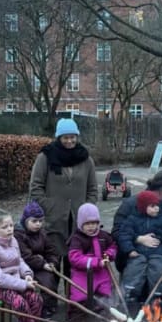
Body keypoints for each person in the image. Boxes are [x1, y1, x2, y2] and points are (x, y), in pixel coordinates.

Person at [29, 118, 98, 291]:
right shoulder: (45, 157)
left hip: (77, 221)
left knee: (74, 263)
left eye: (72, 137)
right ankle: (50, 299)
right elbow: (35, 188)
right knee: (52, 262)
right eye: (65, 137)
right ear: (58, 137)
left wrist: (86, 211)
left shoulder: (86, 159)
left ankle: (74, 297)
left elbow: (92, 189)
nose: (69, 141)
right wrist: (49, 207)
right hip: (53, 220)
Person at [117, 190, 162, 310]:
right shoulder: (132, 220)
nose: (156, 208)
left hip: (158, 252)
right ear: (143, 207)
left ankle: (159, 294)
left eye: (157, 205)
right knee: (134, 268)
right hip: (138, 252)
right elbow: (124, 235)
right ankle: (130, 292)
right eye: (152, 206)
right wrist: (130, 250)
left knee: (159, 268)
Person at [111, 170, 162, 277]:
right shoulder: (130, 204)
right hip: (133, 267)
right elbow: (116, 232)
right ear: (161, 189)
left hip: (160, 269)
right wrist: (138, 239)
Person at [14, 201, 60, 322]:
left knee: (52, 276)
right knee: (47, 280)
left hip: (42, 264)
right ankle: (44, 313)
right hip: (25, 267)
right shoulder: (18, 234)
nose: (38, 224)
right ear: (25, 220)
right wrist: (42, 264)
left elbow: (51, 250)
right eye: (34, 221)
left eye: (40, 221)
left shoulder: (42, 233)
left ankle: (49, 308)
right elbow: (25, 256)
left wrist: (52, 262)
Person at [67, 203, 118, 313]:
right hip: (83, 273)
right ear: (81, 224)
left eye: (94, 223)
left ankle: (104, 314)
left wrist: (109, 254)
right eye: (87, 224)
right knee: (80, 297)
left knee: (106, 295)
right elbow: (75, 258)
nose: (91, 227)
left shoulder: (104, 236)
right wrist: (95, 262)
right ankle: (78, 315)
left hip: (101, 272)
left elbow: (113, 247)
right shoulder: (77, 239)